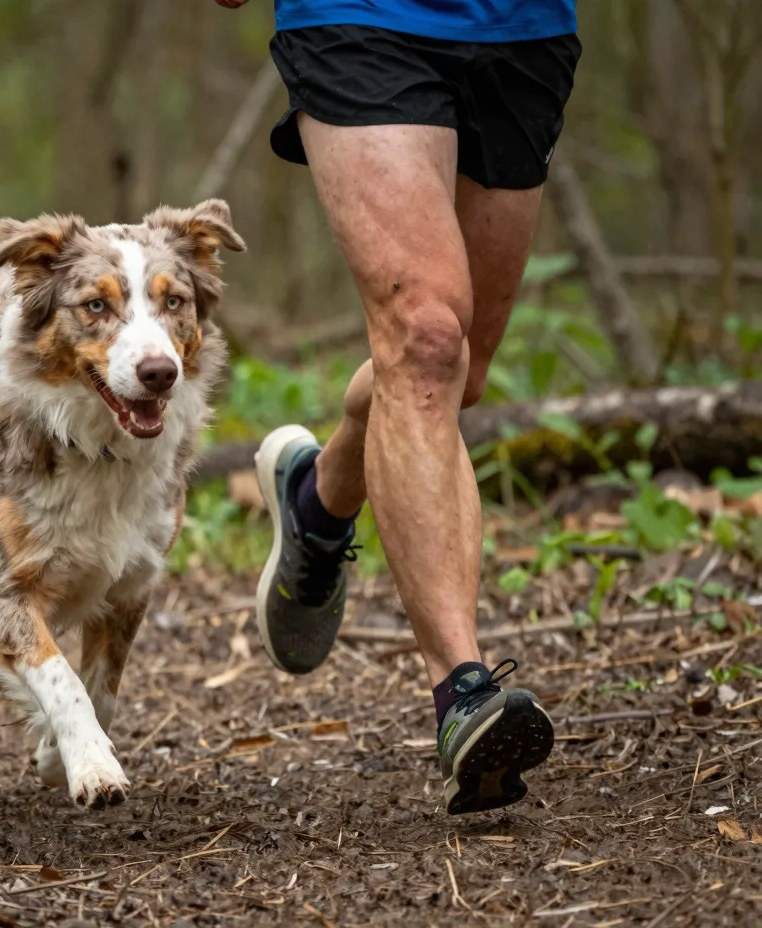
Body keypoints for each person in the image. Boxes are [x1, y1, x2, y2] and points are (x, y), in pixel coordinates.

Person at [214, 0, 580, 814]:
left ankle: (319, 499)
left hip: (520, 27)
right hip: (358, 17)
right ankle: (463, 691)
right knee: (424, 339)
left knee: (459, 374)